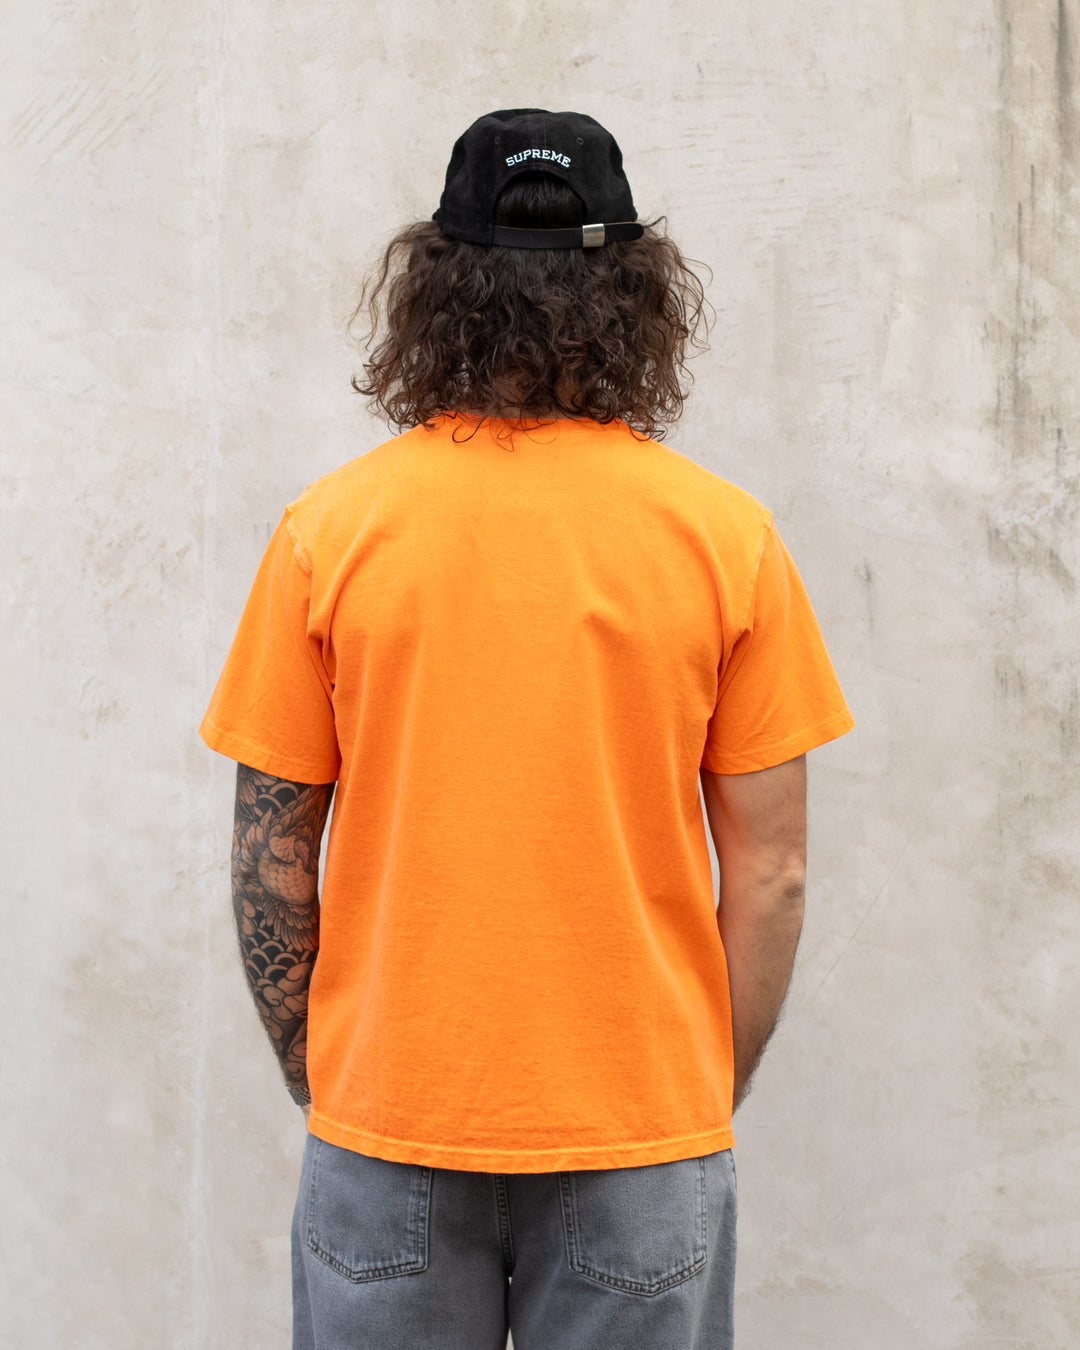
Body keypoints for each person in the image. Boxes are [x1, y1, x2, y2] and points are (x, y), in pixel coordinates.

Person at [200, 108, 854, 1350]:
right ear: (636, 296)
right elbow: (772, 871)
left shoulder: (329, 533)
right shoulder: (727, 539)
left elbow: (269, 857)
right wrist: (692, 1093)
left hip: (390, 1114)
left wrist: (325, 1074)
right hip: (640, 1129)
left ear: (436, 290)